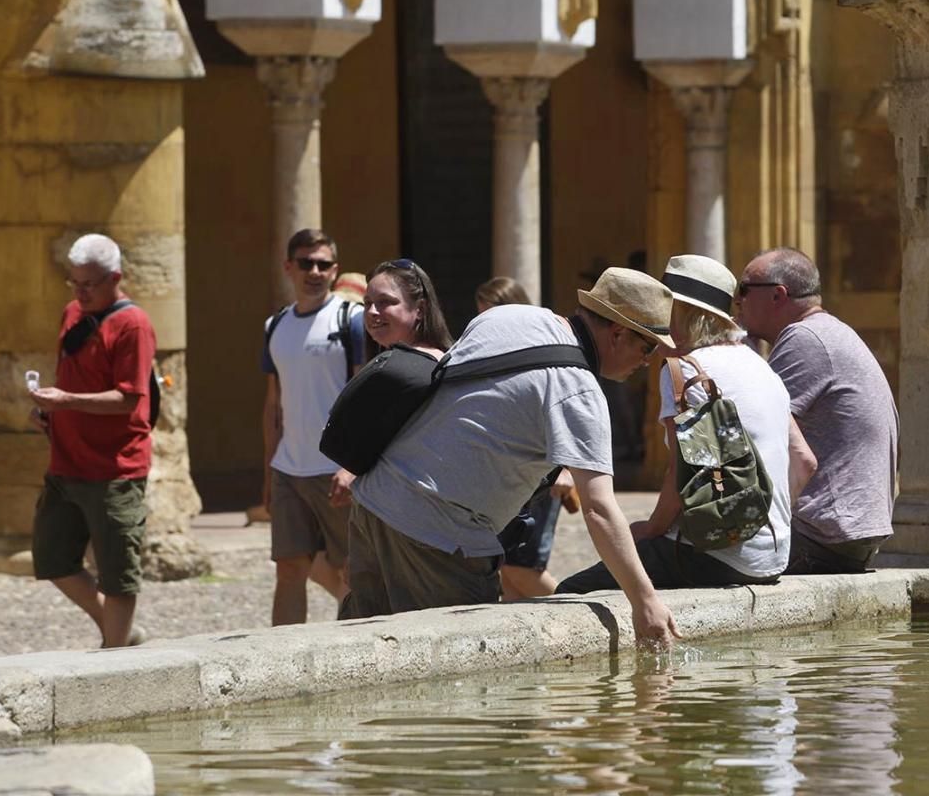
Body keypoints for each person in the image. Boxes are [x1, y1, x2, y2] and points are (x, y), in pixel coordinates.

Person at [342, 267, 682, 649]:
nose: (648, 361)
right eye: (648, 347)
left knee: (360, 660)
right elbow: (600, 509)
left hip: (373, 503)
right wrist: (645, 601)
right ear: (618, 333)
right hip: (436, 537)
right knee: (464, 690)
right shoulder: (579, 392)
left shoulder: (509, 316)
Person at [557, 254, 817, 593]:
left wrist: (651, 528)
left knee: (571, 592)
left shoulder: (685, 370)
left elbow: (680, 474)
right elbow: (805, 463)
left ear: (680, 312)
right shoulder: (762, 368)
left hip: (713, 554)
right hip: (774, 556)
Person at [735, 247, 899, 574]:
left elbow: (746, 429)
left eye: (743, 290)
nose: (737, 302)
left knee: (676, 553)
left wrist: (730, 345)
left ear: (778, 295)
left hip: (821, 536)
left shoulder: (805, 339)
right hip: (852, 536)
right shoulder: (828, 332)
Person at [28, 233, 156, 648]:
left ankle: (113, 656)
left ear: (115, 277)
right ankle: (121, 631)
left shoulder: (133, 324)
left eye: (90, 284)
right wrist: (49, 412)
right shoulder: (71, 314)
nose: (80, 292)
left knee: (118, 574)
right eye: (75, 283)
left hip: (115, 469)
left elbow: (128, 399)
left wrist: (65, 401)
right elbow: (70, 377)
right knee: (52, 559)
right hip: (66, 464)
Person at [261, 229, 365, 625]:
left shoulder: (350, 320)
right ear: (289, 267)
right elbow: (273, 406)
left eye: (324, 264)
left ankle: (358, 658)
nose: (315, 271)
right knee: (288, 571)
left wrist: (353, 465)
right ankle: (282, 664)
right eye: (306, 263)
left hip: (335, 468)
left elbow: (364, 399)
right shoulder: (275, 326)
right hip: (288, 468)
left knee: (351, 572)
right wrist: (268, 474)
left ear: (335, 270)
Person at [473, 275, 576, 601]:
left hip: (543, 475)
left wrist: (568, 469)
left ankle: (575, 612)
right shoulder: (492, 349)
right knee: (507, 570)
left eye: (491, 312)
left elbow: (569, 413)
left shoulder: (546, 348)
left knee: (524, 567)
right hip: (507, 476)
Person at [364, 258, 453, 362]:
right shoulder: (385, 363)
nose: (371, 311)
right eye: (367, 303)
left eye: (384, 301)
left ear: (420, 308)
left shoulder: (429, 365)